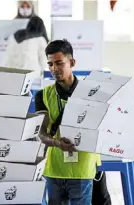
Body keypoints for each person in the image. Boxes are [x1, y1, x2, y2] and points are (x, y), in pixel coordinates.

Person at [34, 39, 105, 205]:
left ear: (72, 62)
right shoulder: (43, 96)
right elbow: (40, 133)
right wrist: (57, 143)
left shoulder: (91, 93)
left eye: (59, 63)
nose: (54, 69)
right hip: (54, 169)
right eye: (50, 64)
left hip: (83, 167)